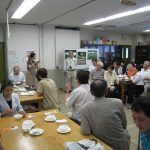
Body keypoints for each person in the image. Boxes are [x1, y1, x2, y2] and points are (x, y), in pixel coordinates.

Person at [80, 79, 130, 150]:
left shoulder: (85, 108)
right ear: (106, 91)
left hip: (103, 145)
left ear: (91, 92)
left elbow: (85, 131)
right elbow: (124, 124)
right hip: (122, 142)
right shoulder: (117, 102)